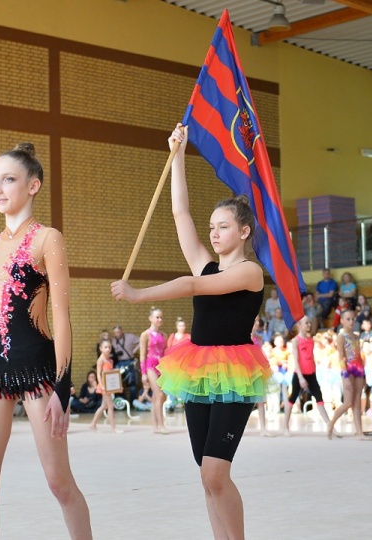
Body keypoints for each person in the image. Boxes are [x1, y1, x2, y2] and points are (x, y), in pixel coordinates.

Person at [111, 125, 272, 540]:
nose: (214, 233)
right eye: (212, 227)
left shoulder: (250, 272)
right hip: (199, 368)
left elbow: (191, 285)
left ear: (244, 232)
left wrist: (136, 295)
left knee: (217, 472)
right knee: (205, 473)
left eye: (222, 226)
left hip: (235, 372)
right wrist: (177, 155)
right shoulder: (207, 262)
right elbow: (180, 214)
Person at [0, 142, 91, 539]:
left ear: (33, 185)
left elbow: (61, 314)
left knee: (59, 482)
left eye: (8, 179)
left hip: (39, 368)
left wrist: (63, 386)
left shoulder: (47, 238)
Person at [283, 317, 330, 435]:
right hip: (300, 374)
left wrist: (314, 371)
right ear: (299, 325)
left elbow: (311, 357)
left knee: (319, 398)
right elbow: (297, 360)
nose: (309, 324)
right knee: (292, 398)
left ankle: (330, 426)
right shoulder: (295, 341)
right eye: (306, 323)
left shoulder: (311, 340)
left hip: (311, 374)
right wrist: (300, 377)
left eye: (309, 322)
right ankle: (285, 427)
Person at [326, 309, 367, 440]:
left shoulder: (356, 336)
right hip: (348, 370)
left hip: (359, 369)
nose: (351, 321)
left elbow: (359, 356)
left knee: (357, 402)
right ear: (342, 321)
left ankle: (360, 433)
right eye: (348, 319)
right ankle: (331, 424)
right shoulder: (341, 336)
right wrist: (345, 376)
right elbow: (341, 358)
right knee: (348, 402)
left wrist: (364, 374)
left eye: (353, 319)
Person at [139, 307, 168, 434]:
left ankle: (154, 425)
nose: (159, 319)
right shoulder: (145, 334)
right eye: (157, 317)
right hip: (150, 366)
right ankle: (161, 424)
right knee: (159, 395)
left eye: (161, 317)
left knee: (158, 396)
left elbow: (165, 353)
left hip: (161, 366)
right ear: (150, 318)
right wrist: (143, 373)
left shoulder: (164, 335)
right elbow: (142, 354)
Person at [90, 341, 120, 433]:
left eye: (109, 347)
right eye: (105, 347)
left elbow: (111, 374)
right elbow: (98, 374)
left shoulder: (110, 360)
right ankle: (113, 428)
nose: (108, 349)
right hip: (104, 386)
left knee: (104, 406)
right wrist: (102, 386)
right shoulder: (101, 360)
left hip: (109, 385)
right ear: (101, 348)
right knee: (110, 406)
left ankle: (93, 424)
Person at [111, 325, 140, 400]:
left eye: (118, 332)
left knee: (132, 382)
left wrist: (135, 350)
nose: (116, 334)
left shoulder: (130, 337)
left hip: (129, 361)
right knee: (116, 381)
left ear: (122, 331)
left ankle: (132, 402)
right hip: (119, 362)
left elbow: (141, 341)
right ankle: (121, 399)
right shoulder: (113, 340)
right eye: (115, 333)